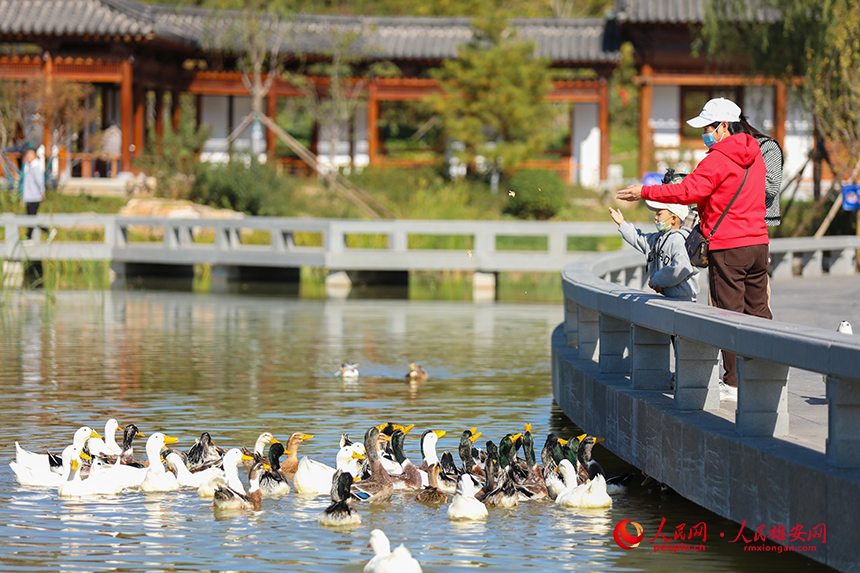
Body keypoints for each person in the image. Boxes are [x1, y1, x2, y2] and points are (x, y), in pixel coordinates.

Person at [616, 97, 771, 401]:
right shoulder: (756, 154)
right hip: (758, 243)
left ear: (723, 126)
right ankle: (764, 377)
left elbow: (688, 191)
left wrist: (644, 191)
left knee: (729, 314)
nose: (705, 133)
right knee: (758, 311)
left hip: (729, 246)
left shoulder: (716, 159)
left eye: (708, 127)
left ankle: (734, 382)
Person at [608, 201, 699, 301]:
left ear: (673, 218)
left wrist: (657, 280)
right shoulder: (657, 239)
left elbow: (681, 267)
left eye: (659, 214)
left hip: (684, 300)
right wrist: (622, 224)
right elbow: (639, 239)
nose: (656, 218)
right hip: (669, 298)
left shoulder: (679, 240)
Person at [740, 115, 783, 226]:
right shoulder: (723, 149)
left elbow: (771, 186)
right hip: (734, 219)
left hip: (761, 220)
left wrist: (736, 178)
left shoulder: (767, 146)